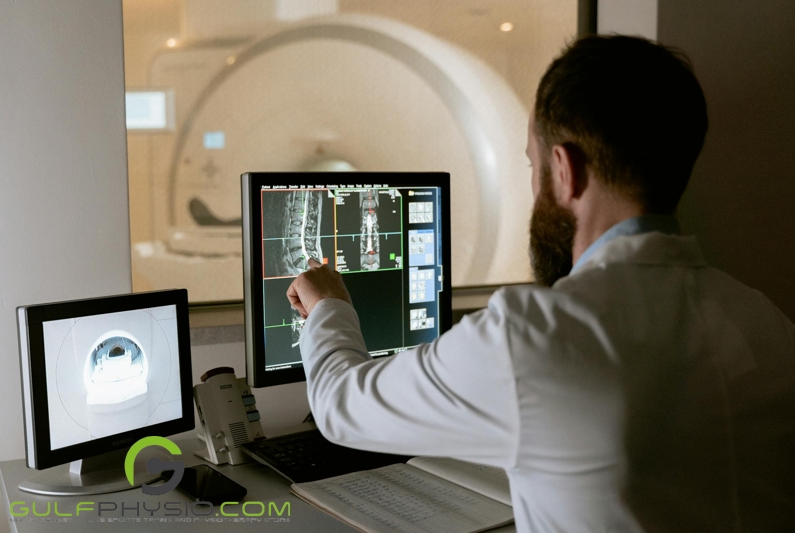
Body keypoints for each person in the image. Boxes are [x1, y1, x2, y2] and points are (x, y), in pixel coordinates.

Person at [286, 35, 795, 532]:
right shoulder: (765, 323)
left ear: (564, 169)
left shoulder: (534, 336)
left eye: (533, 165)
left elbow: (340, 406)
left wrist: (329, 305)